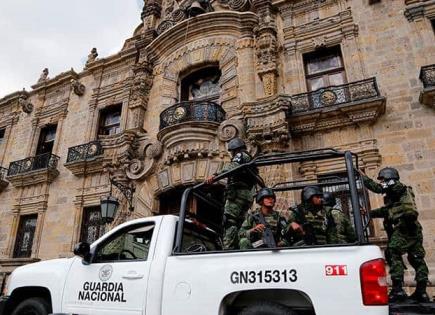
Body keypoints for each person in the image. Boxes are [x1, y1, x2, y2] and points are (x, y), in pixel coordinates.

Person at [361, 167, 430, 303]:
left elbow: (377, 188)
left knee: (392, 253)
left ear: (389, 179)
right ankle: (422, 292)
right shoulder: (396, 194)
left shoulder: (397, 187)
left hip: (404, 229)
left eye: (382, 180)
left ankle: (398, 290)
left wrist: (363, 177)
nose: (381, 183)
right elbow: (386, 211)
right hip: (414, 230)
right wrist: (370, 213)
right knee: (417, 258)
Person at [205, 138, 259, 249]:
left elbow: (232, 167)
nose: (232, 154)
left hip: (238, 194)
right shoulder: (248, 158)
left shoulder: (241, 155)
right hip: (246, 195)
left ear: (235, 149)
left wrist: (216, 175)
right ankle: (236, 245)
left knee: (229, 221)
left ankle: (228, 246)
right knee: (238, 222)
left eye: (232, 152)